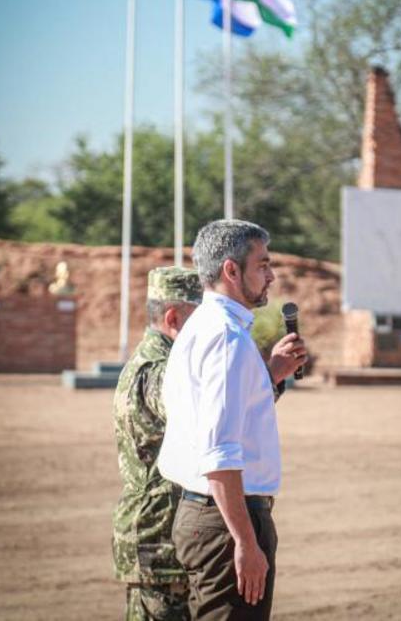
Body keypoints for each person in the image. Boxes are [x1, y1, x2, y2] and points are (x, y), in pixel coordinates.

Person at [158, 220, 307, 620]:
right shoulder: (226, 338)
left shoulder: (201, 327)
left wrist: (271, 373)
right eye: (263, 264)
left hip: (207, 514)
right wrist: (245, 541)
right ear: (231, 270)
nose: (271, 275)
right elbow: (219, 453)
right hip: (225, 521)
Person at [113, 266, 203, 621]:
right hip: (158, 540)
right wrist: (268, 377)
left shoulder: (155, 362)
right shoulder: (157, 369)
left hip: (162, 536)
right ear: (173, 318)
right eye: (200, 319)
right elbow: (206, 414)